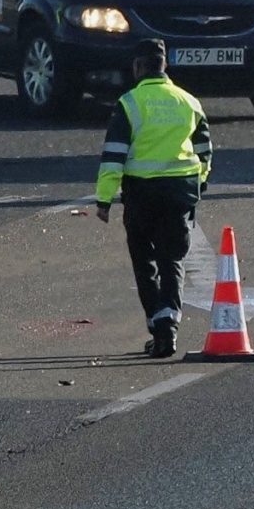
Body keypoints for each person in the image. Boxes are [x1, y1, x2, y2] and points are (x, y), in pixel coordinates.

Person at [93, 40, 213, 359]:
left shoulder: (130, 103)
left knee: (144, 259)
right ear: (165, 66)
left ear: (138, 67)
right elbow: (204, 152)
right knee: (172, 259)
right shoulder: (188, 102)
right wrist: (199, 185)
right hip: (179, 193)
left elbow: (114, 155)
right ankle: (168, 326)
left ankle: (158, 327)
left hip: (142, 194)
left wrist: (104, 199)